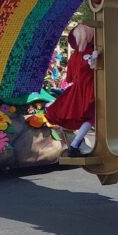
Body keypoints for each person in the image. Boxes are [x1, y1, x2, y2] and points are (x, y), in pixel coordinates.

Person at [47, 24, 98, 157]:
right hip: (89, 90)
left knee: (85, 117)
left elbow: (69, 78)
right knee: (92, 117)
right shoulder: (89, 54)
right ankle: (75, 144)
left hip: (76, 90)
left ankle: (77, 144)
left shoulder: (73, 56)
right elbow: (94, 68)